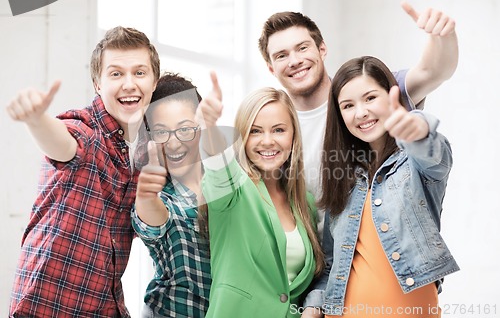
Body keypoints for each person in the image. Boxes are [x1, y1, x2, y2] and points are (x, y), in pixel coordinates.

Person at [5, 26, 160, 318]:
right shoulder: (87, 130)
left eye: (139, 73)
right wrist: (36, 120)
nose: (129, 84)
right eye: (116, 74)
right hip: (47, 307)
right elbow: (65, 142)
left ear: (154, 82)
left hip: (104, 304)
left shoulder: (144, 153)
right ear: (97, 84)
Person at [258, 2, 458, 208]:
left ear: (322, 49)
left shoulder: (367, 96)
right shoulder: (273, 128)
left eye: (302, 48)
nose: (294, 61)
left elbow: (432, 72)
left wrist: (443, 37)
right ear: (271, 68)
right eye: (281, 56)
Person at [303, 56, 459, 317]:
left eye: (370, 98)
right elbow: (331, 265)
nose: (361, 112)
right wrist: (312, 307)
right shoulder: (342, 178)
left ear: (391, 97)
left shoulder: (414, 163)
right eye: (348, 105)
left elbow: (435, 154)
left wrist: (416, 129)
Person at [197, 84, 324, 318]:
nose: (267, 141)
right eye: (255, 131)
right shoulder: (234, 188)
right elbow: (218, 169)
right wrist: (210, 128)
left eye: (278, 130)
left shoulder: (304, 203)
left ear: (293, 135)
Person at [132, 72, 211, 318]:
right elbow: (152, 222)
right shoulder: (163, 197)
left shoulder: (225, 180)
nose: (174, 143)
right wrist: (146, 197)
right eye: (161, 132)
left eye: (185, 129)